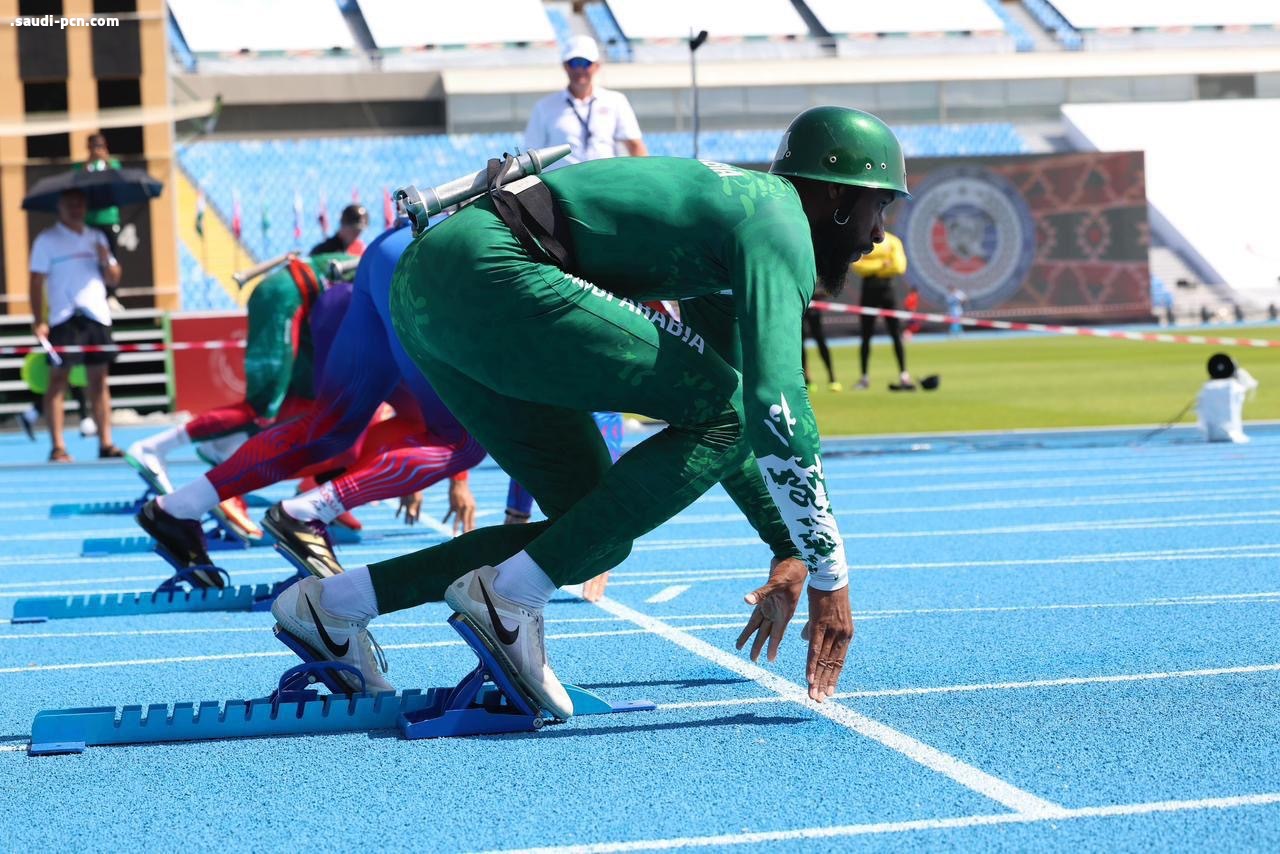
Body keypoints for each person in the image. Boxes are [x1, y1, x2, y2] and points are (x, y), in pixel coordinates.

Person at [268, 106, 907, 718]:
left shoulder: (741, 226)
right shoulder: (780, 218)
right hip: (492, 270)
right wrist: (829, 575)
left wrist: (786, 547)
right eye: (879, 206)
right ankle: (508, 600)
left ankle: (334, 606)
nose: (878, 234)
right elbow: (773, 405)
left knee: (590, 530)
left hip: (431, 285)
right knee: (711, 425)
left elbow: (732, 411)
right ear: (835, 195)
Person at [136, 223, 485, 594]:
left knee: (334, 432)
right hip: (404, 276)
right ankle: (308, 509)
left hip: (370, 272)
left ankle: (181, 506)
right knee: (464, 437)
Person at [126, 253, 353, 539]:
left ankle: (306, 482)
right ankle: (158, 448)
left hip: (308, 308)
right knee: (263, 407)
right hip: (287, 297)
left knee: (310, 401)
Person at [28, 189, 123, 462]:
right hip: (63, 317)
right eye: (70, 204)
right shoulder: (47, 240)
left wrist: (105, 256)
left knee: (99, 381)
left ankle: (106, 443)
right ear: (59, 207)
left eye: (80, 204)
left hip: (96, 316)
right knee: (58, 380)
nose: (76, 208)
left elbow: (114, 279)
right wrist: (39, 320)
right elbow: (35, 282)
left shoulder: (97, 237)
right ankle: (58, 446)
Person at [524, 35, 647, 169]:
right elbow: (531, 155)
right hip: (563, 187)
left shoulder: (615, 101)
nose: (579, 70)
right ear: (565, 66)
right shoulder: (544, 107)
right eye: (574, 63)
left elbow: (635, 146)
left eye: (585, 63)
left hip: (606, 182)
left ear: (597, 66)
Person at [850, 230, 911, 390]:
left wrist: (873, 266)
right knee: (866, 335)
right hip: (869, 290)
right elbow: (858, 266)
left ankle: (904, 375)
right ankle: (864, 377)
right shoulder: (863, 240)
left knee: (896, 334)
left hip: (888, 290)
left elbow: (899, 267)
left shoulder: (893, 241)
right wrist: (882, 264)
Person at [801, 300, 840, 392]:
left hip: (812, 305)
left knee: (820, 340)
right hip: (800, 307)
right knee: (800, 344)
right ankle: (807, 379)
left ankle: (832, 378)